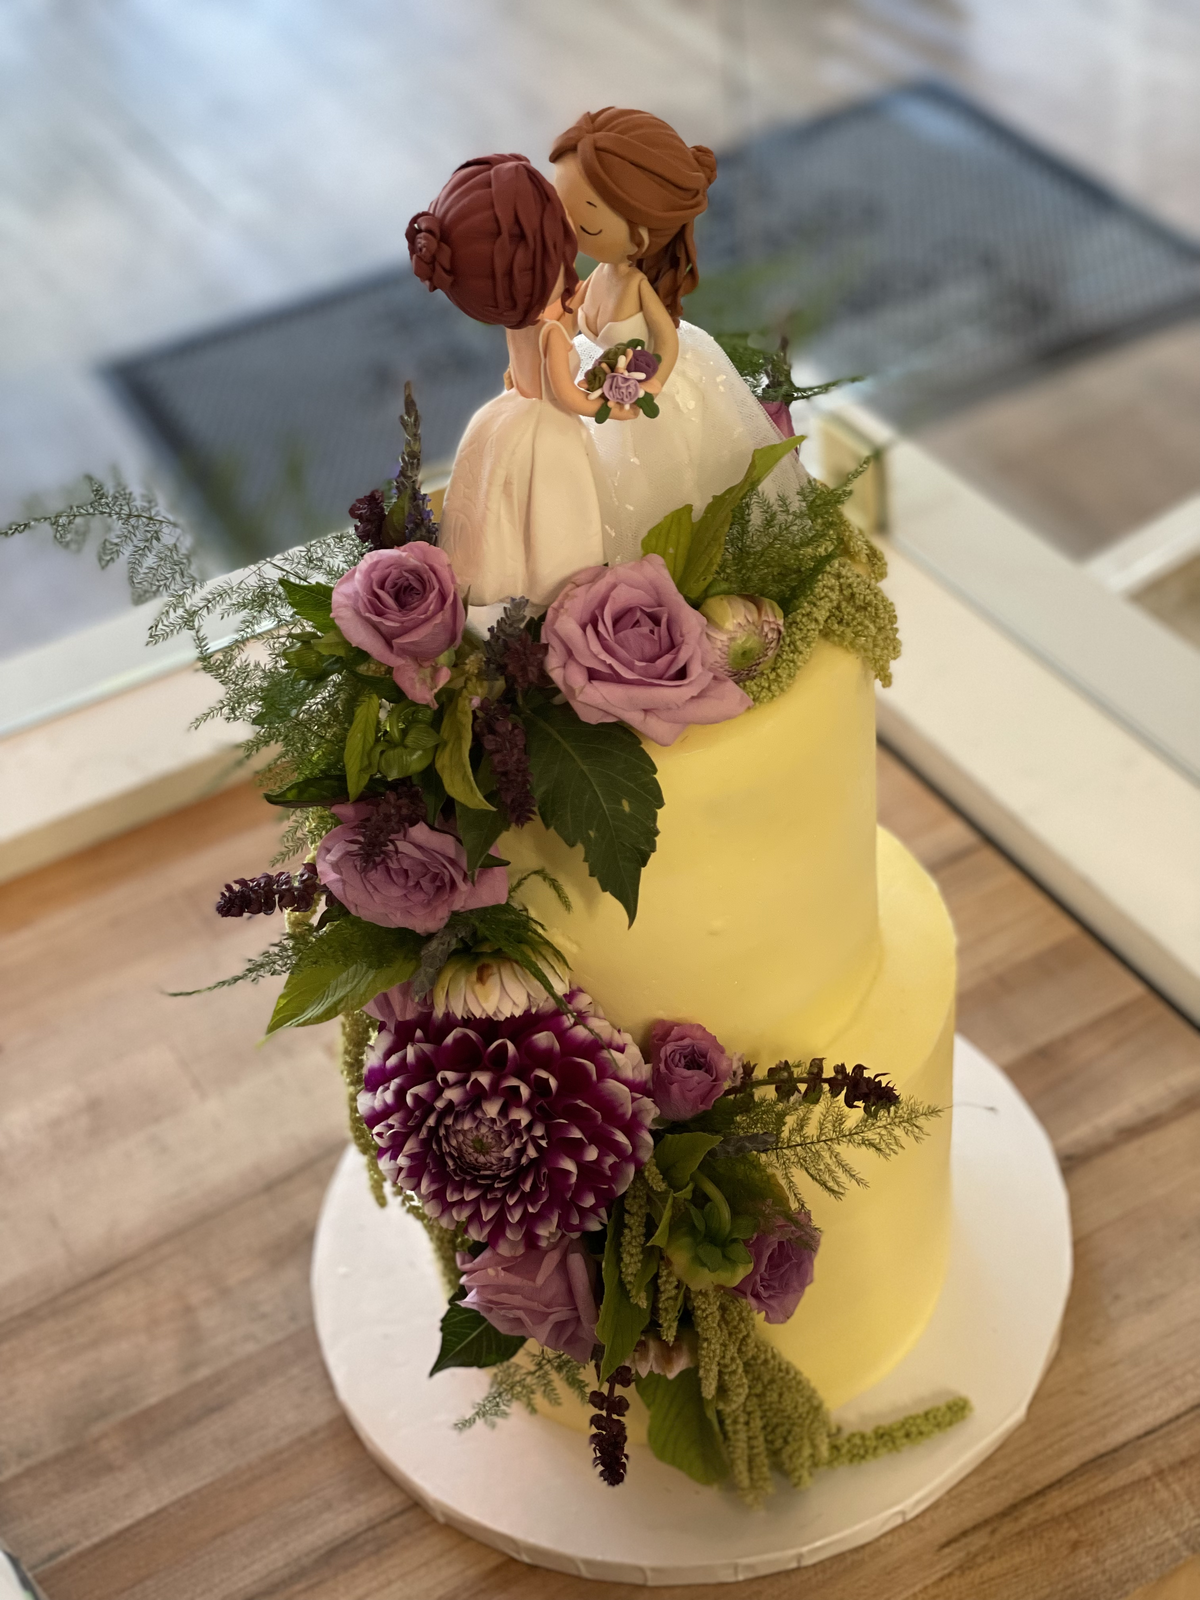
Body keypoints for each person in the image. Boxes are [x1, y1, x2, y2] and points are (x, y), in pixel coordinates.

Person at [551, 108, 807, 565]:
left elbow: (666, 344)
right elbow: (568, 324)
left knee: (664, 493)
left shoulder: (634, 286)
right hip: (598, 400)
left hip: (644, 409)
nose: (569, 231)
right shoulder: (594, 278)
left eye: (586, 224)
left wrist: (649, 385)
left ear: (641, 236)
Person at [407, 154, 626, 608]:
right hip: (549, 429)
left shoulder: (518, 325)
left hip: (512, 410)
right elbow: (567, 395)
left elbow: (512, 372)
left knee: (503, 520)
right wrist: (608, 402)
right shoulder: (550, 333)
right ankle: (557, 604)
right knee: (558, 529)